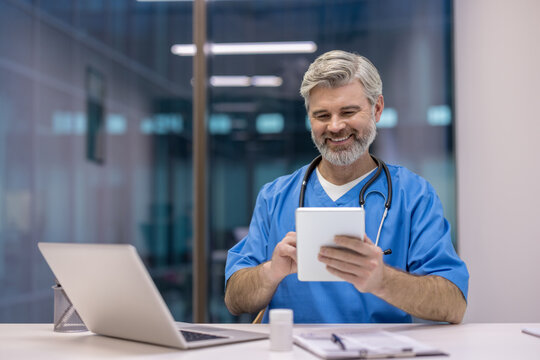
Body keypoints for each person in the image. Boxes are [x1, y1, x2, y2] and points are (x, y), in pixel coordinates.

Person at [224, 50, 469, 324]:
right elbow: (235, 299)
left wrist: (382, 280)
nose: (336, 126)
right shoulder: (276, 196)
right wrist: (271, 271)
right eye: (322, 115)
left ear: (376, 109)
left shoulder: (413, 195)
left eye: (348, 112)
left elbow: (453, 304)